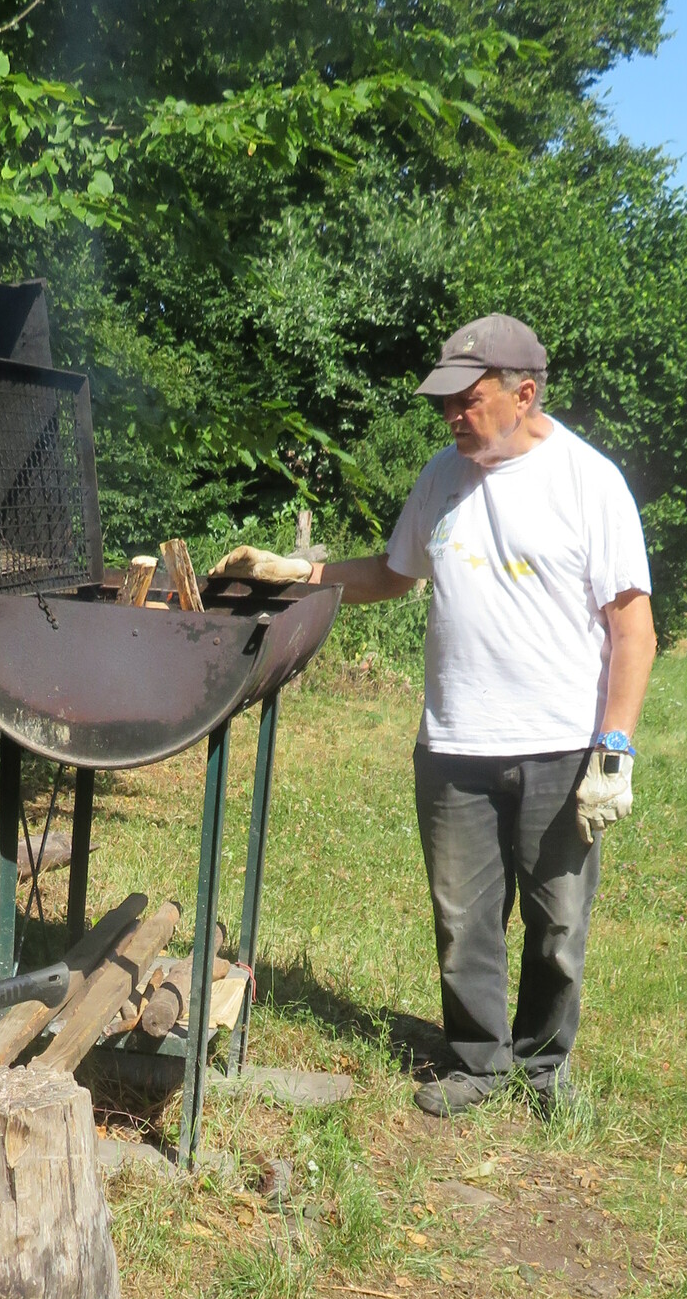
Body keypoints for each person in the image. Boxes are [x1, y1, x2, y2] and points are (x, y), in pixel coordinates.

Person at [214, 314, 655, 1116]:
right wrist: (298, 571)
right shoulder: (442, 477)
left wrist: (614, 747)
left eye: (467, 400)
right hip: (453, 741)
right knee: (463, 919)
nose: (452, 416)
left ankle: (544, 1066)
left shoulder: (590, 483)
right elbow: (393, 574)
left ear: (525, 394)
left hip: (562, 744)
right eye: (445, 403)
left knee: (558, 922)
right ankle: (479, 1062)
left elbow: (633, 627)